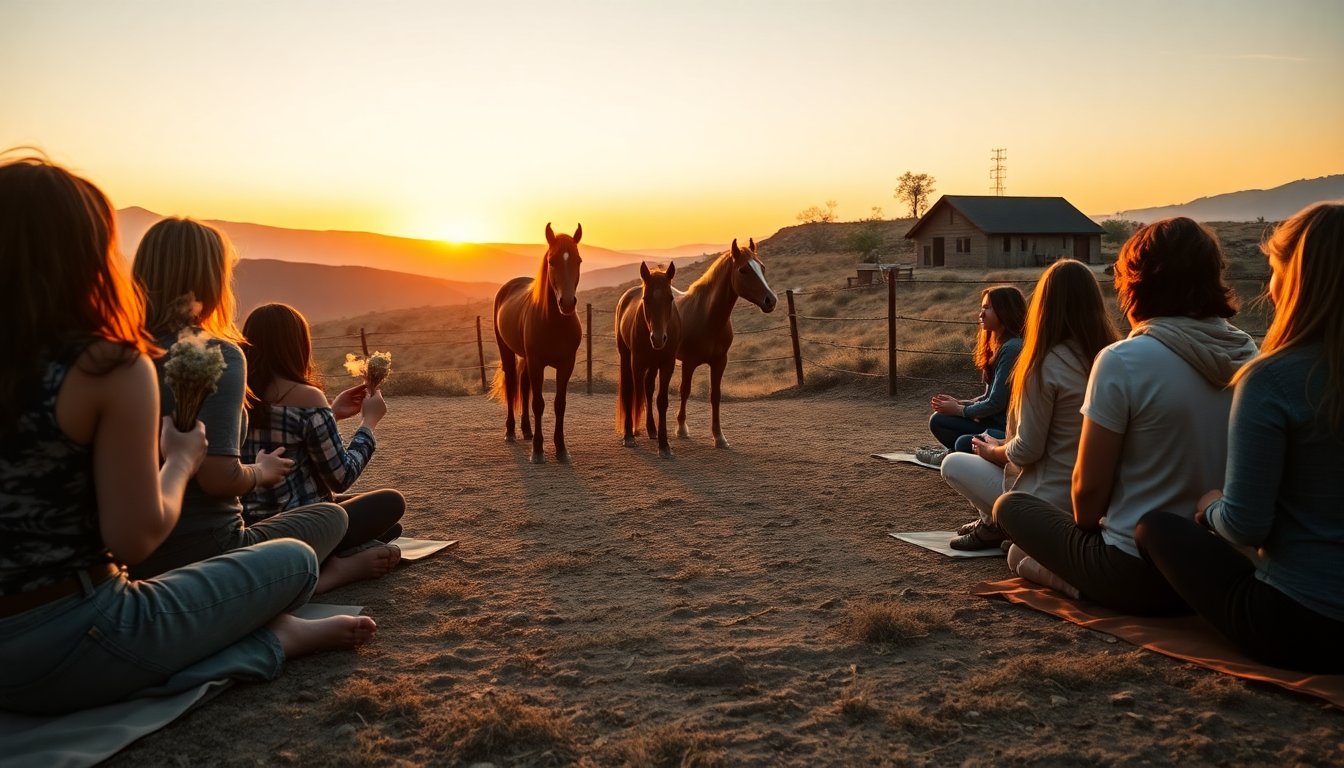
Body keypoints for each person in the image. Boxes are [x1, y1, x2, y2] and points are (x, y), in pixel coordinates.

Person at [0, 156, 373, 715]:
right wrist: (178, 460)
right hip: (75, 640)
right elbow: (134, 540)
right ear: (87, 256)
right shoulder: (108, 366)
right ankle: (275, 635)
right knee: (296, 559)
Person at [994, 217, 1258, 615]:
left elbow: (1086, 505)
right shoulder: (1250, 355)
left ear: (1136, 284)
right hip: (1220, 567)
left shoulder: (1124, 360)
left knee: (1010, 511)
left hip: (1136, 571)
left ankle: (1078, 583)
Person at [130, 219, 392, 593]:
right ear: (211, 282)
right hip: (215, 542)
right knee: (345, 515)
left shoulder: (119, 356)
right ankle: (323, 575)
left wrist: (329, 415)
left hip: (138, 548)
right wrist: (367, 423)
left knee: (368, 518)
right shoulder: (217, 357)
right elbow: (221, 478)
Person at [1135, 203, 1344, 671]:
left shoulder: (1273, 379)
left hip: (1304, 623)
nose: (1270, 286)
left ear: (1297, 280)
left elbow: (1246, 526)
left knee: (1154, 528)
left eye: (1275, 271)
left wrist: (1212, 506)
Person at [941, 260, 1119, 556]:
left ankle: (996, 525)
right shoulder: (1109, 357)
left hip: (1046, 498)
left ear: (1044, 306)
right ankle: (995, 525)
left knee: (953, 463)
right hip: (1095, 497)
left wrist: (992, 451)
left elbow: (1027, 451)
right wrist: (1001, 441)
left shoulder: (1044, 364)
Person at [241, 303, 404, 577]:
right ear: (298, 345)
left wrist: (331, 414)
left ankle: (338, 551)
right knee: (390, 503)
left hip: (251, 526)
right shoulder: (306, 396)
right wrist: (369, 423)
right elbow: (341, 476)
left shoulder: (240, 395)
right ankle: (328, 565)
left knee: (389, 525)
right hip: (300, 526)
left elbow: (290, 440)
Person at [924, 286, 1027, 463]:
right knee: (938, 421)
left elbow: (995, 403)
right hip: (992, 422)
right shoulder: (1001, 346)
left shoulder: (1012, 348)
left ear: (1005, 310)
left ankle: (954, 454)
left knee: (963, 442)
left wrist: (960, 410)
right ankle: (954, 454)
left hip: (1007, 429)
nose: (981, 314)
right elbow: (988, 397)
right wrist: (960, 403)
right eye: (982, 308)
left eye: (987, 308)